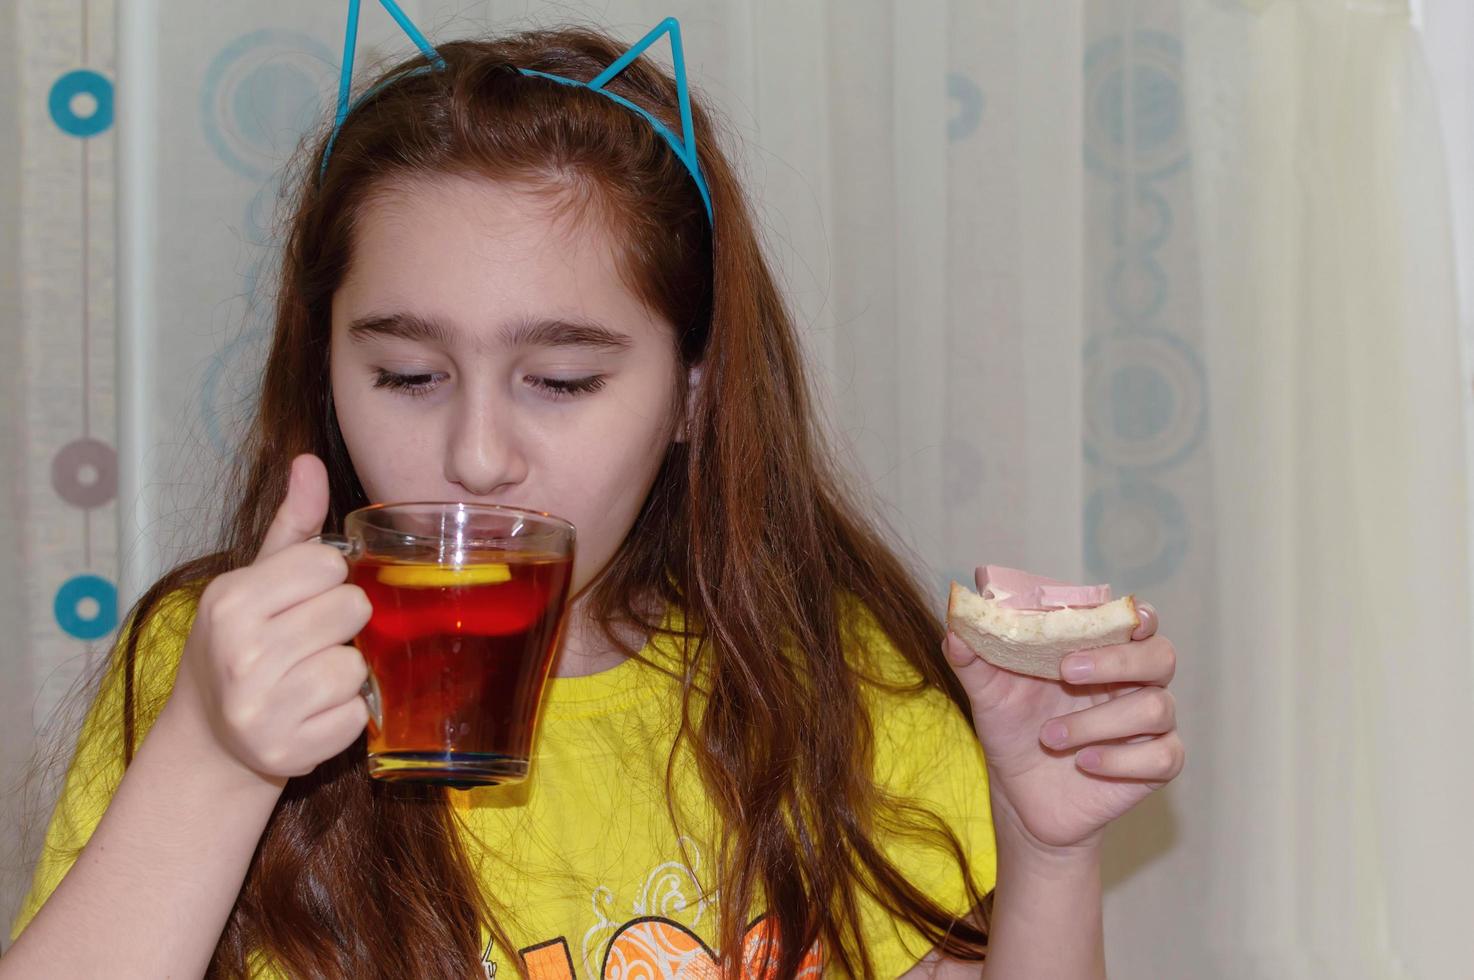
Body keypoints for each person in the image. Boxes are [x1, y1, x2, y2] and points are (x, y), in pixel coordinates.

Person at [3, 10, 1183, 979]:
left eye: (561, 379)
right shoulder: (220, 667)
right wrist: (217, 757)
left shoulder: (839, 687)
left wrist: (1044, 850)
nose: (476, 455)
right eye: (407, 373)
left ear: (692, 392)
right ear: (324, 365)